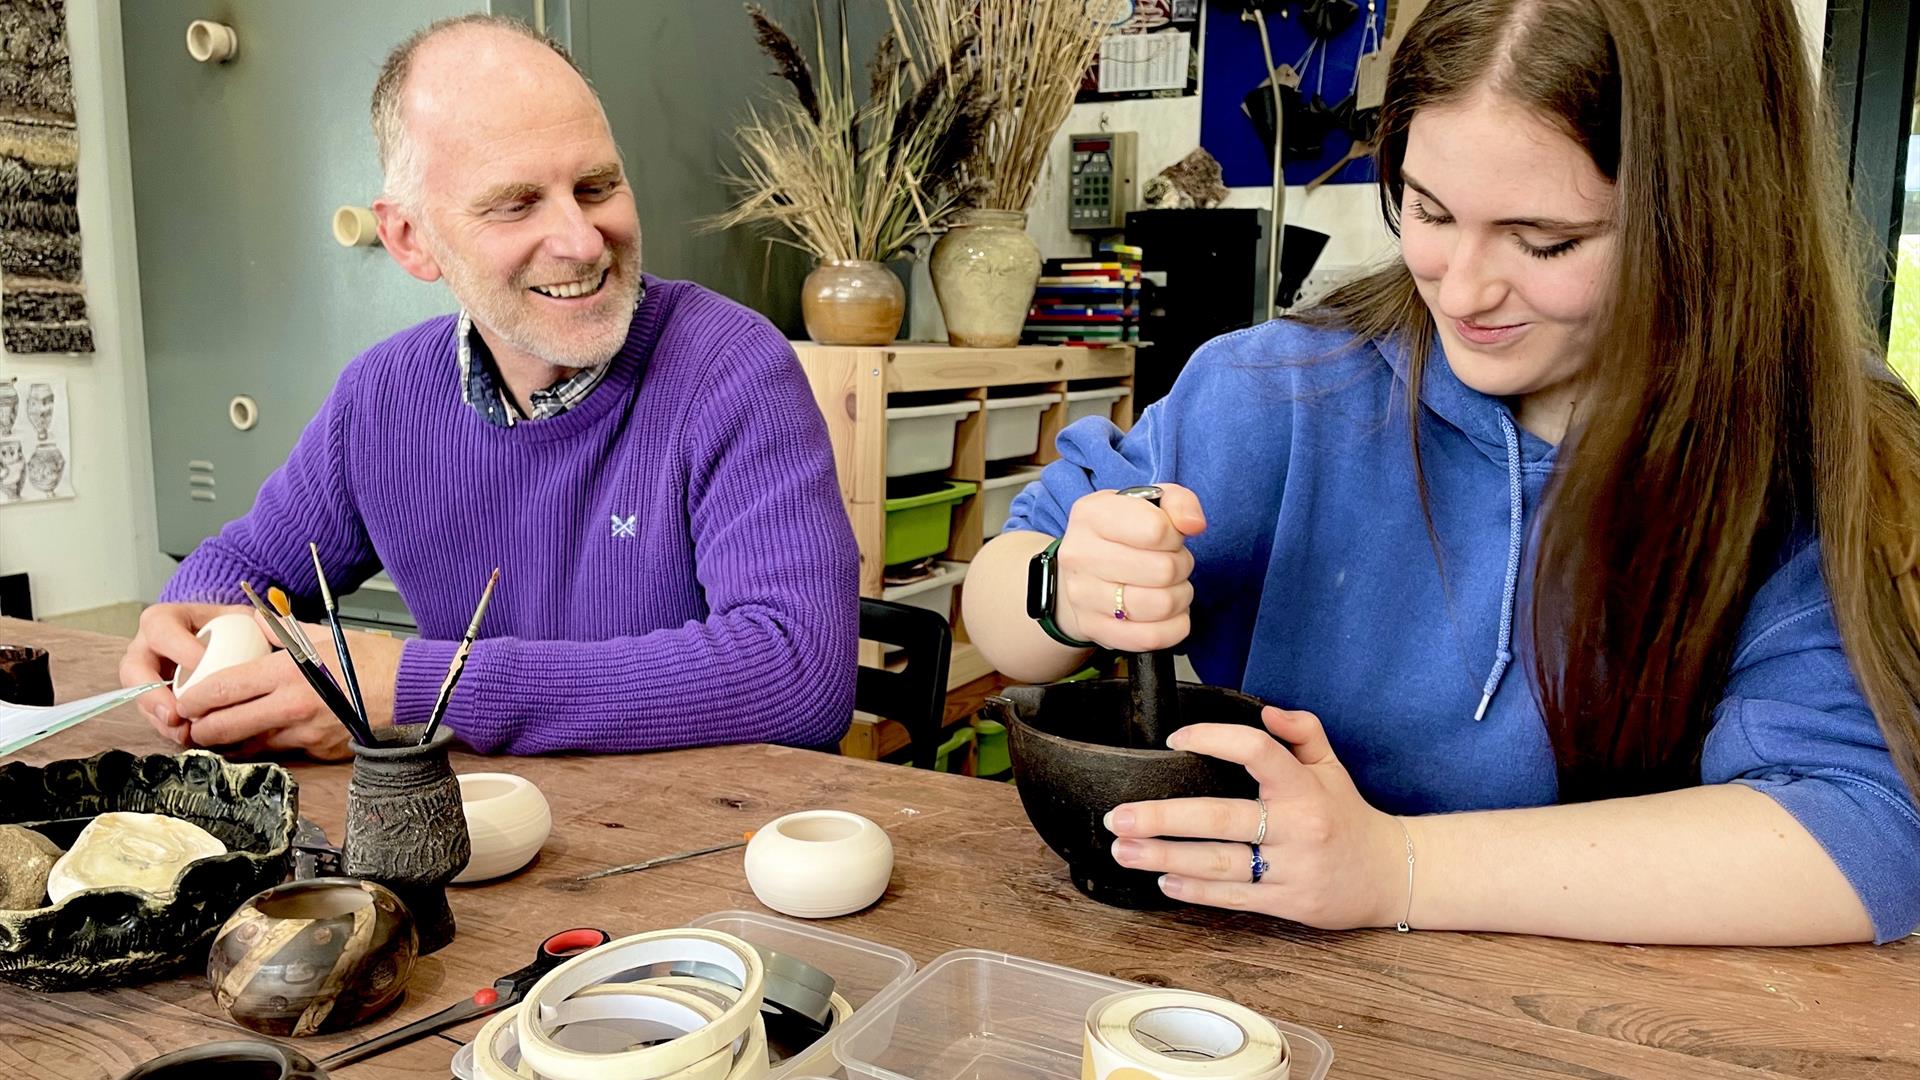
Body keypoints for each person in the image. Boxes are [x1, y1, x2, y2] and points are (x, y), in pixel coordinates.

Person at [963, 0, 1920, 945]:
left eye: (1546, 241)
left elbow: (1863, 835)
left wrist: (1393, 868)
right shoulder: (1277, 391)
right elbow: (1003, 612)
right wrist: (1066, 588)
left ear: (1712, 220)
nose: (1461, 290)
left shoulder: (1811, 451)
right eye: (1428, 210)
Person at [119, 15, 858, 760]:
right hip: (482, 841)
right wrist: (179, 626)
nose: (581, 240)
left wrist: (413, 688)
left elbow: (800, 673)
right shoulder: (381, 400)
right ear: (411, 238)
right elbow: (247, 569)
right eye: (516, 203)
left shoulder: (732, 369)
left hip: (706, 845)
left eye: (597, 186)